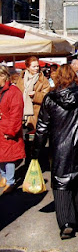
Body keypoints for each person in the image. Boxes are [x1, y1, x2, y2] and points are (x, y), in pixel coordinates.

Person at [33, 64, 78, 239]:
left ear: (57, 78)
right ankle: (75, 218)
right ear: (74, 76)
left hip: (59, 147)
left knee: (61, 183)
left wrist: (36, 151)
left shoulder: (50, 98)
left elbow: (42, 127)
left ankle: (66, 223)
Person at [0, 66, 25, 194]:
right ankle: (3, 176)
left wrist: (11, 131)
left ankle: (10, 181)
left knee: (9, 157)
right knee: (1, 155)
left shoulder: (13, 92)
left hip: (8, 127)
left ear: (3, 76)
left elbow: (16, 113)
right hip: (1, 127)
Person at [16, 56, 50, 131]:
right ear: (28, 67)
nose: (36, 68)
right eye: (34, 66)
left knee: (33, 138)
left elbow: (47, 97)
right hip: (21, 113)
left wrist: (35, 95)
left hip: (35, 114)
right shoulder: (21, 78)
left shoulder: (43, 80)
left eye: (37, 66)